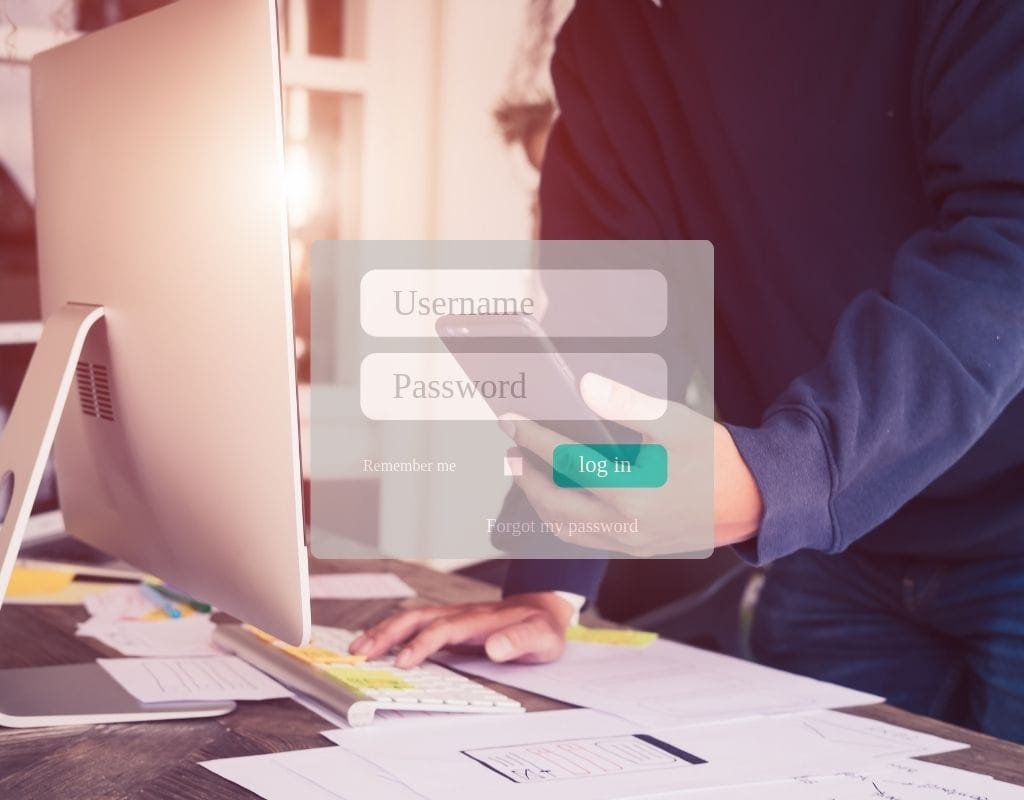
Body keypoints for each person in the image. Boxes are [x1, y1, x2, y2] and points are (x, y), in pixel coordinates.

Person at [351, 0, 1024, 742]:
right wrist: (548, 584)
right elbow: (608, 314)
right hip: (842, 554)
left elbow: (1009, 247)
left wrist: (796, 471)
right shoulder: (610, 37)